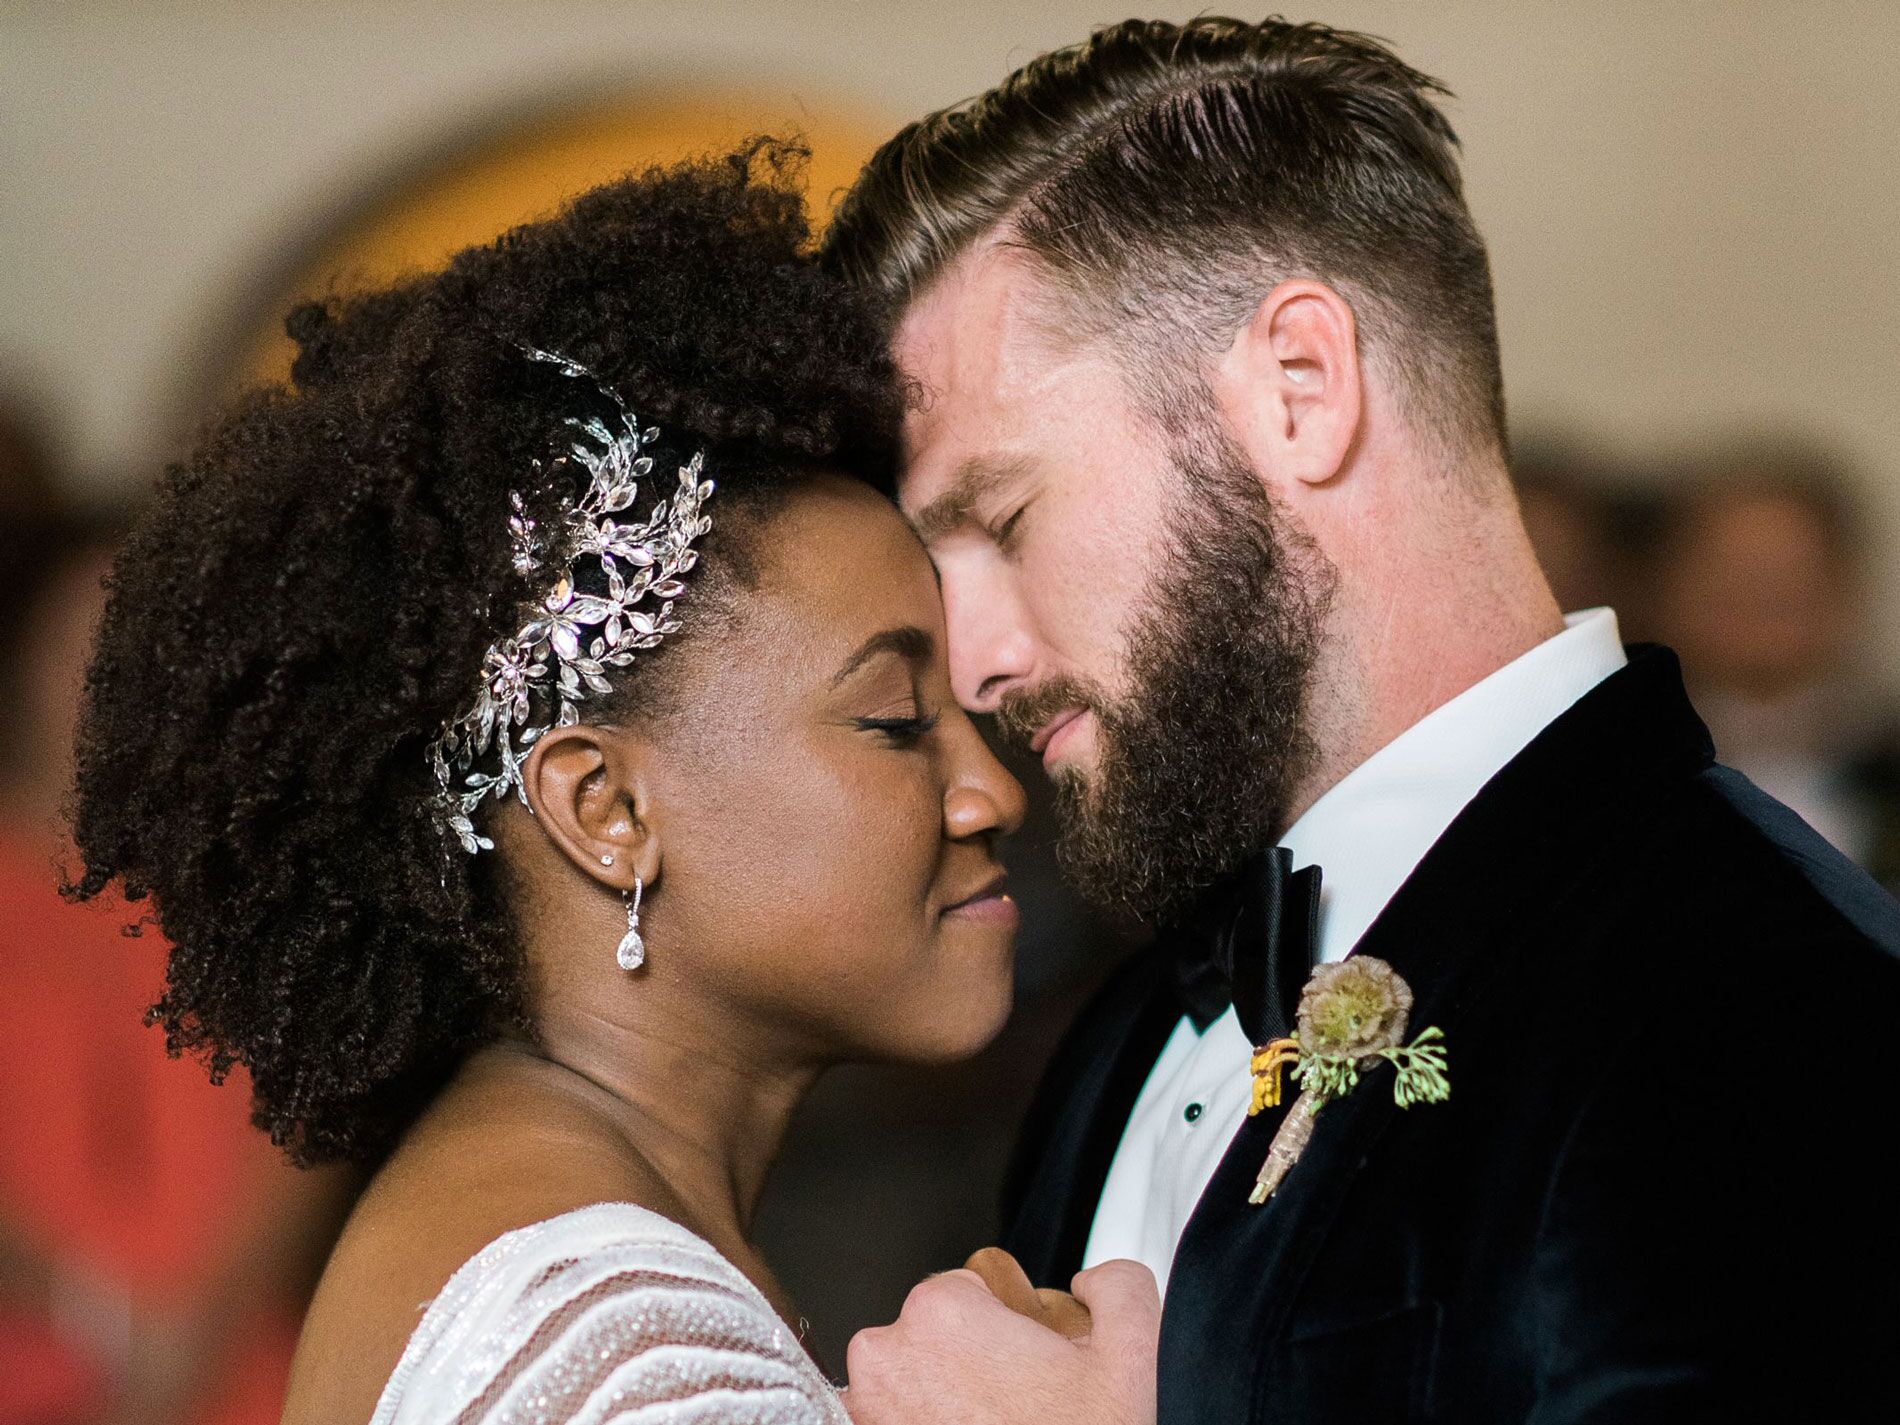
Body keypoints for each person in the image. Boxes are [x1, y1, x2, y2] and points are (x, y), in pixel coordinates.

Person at [823, 16, 1900, 1423]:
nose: (970, 666)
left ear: (1301, 389)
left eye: (1006, 516)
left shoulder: (1770, 1005)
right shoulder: (1147, 1013)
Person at [64, 143, 1036, 1424]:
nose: (992, 795)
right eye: (897, 720)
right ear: (606, 812)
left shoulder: (552, 1214)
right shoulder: (622, 1350)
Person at [1652, 437, 1900, 890]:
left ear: (1845, 593)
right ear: (1671, 590)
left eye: (1785, 584)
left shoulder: (1887, 776)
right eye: (1731, 582)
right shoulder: (1621, 772)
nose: (1758, 612)